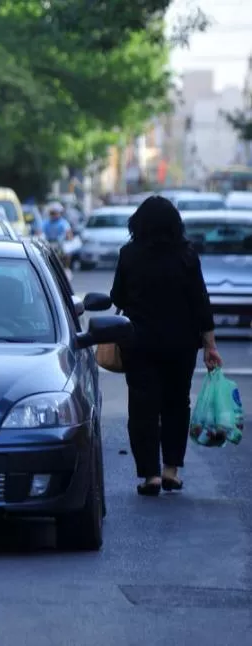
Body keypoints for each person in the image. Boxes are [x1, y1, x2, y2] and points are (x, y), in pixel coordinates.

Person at [110, 195, 223, 496]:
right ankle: (171, 470)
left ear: (139, 223)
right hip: (181, 345)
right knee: (176, 404)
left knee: (143, 408)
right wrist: (210, 345)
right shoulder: (187, 255)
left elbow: (117, 297)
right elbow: (201, 303)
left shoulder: (129, 255)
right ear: (175, 224)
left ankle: (151, 476)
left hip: (140, 343)